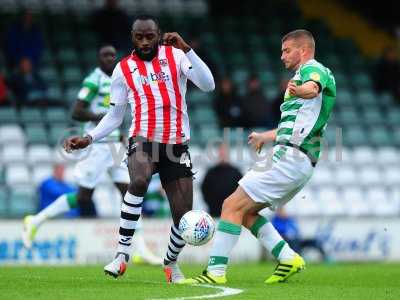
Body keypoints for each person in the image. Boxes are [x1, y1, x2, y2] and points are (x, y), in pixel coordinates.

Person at [63, 15, 215, 282]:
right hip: (143, 139)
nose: (144, 42)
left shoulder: (176, 56)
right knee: (140, 180)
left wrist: (187, 48)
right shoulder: (123, 69)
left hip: (176, 144)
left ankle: (171, 265)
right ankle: (122, 255)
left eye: (150, 36)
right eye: (139, 37)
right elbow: (115, 115)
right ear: (132, 38)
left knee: (183, 216)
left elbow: (208, 84)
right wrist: (90, 137)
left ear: (159, 35)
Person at [185, 29, 336, 284]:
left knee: (230, 206)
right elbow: (296, 125)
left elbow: (312, 88)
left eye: (287, 50)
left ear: (304, 50)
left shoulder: (313, 70)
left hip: (290, 157)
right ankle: (288, 258)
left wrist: (301, 90)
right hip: (294, 157)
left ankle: (215, 272)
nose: (282, 56)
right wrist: (266, 136)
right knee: (245, 213)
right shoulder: (305, 76)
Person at [22, 45, 162, 265]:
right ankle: (35, 221)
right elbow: (77, 111)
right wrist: (101, 117)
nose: (109, 58)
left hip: (115, 146)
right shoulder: (93, 80)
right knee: (83, 197)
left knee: (132, 193)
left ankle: (141, 248)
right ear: (98, 59)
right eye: (105, 55)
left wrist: (122, 134)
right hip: (97, 146)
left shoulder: (120, 78)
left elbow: (119, 113)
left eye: (112, 56)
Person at [201, 143, 242, 217]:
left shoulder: (236, 172)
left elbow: (241, 191)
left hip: (231, 214)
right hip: (213, 212)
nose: (223, 154)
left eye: (225, 152)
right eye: (221, 152)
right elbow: (204, 189)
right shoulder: (211, 172)